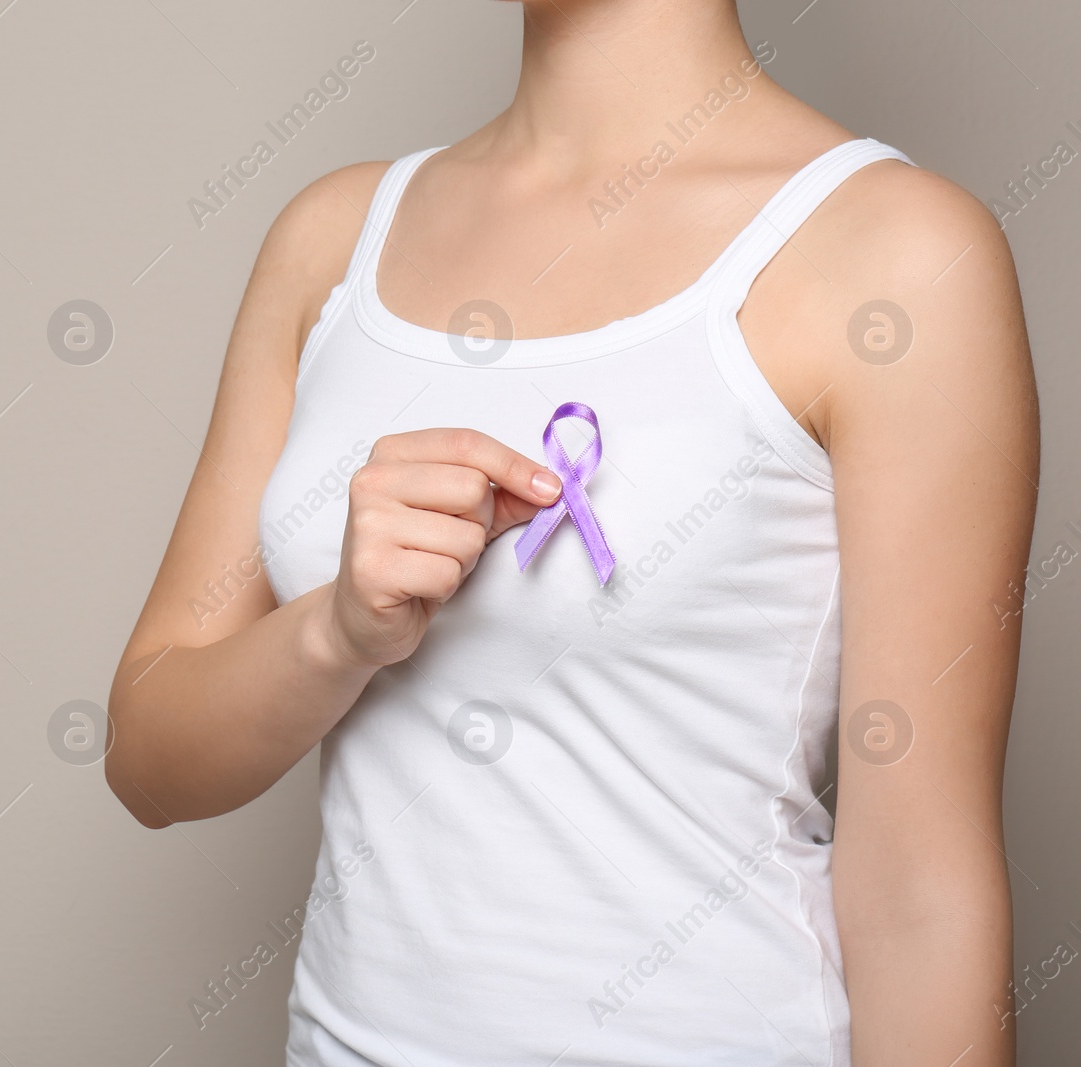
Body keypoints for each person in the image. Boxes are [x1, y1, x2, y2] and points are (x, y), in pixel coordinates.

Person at [104, 1, 1040, 1063]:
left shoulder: (894, 252)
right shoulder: (330, 236)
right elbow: (148, 762)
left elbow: (923, 893)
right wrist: (336, 634)